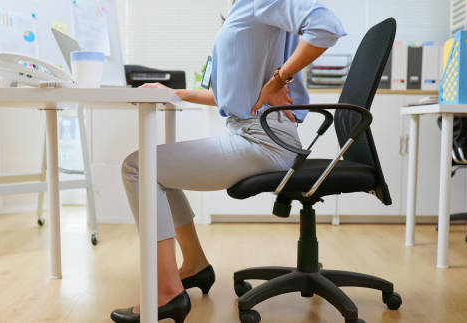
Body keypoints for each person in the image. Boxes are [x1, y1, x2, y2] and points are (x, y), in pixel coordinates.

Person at [111, 0, 345, 322]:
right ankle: (194, 265)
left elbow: (326, 27)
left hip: (263, 139)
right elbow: (229, 97)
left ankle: (165, 292)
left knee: (139, 167)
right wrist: (176, 92)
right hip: (256, 132)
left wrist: (279, 79)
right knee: (156, 171)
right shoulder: (243, 10)